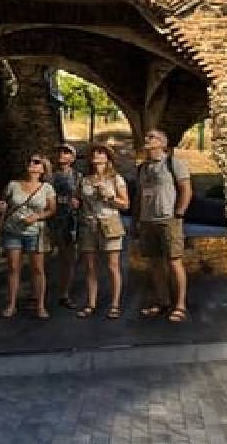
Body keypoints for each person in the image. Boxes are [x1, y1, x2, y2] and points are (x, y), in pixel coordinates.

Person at [135, 129, 193, 322]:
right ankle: (162, 302)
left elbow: (186, 189)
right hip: (147, 220)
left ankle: (180, 305)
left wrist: (179, 212)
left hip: (168, 219)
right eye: (147, 136)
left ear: (162, 143)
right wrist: (137, 221)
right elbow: (139, 196)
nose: (147, 139)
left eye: (151, 137)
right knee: (155, 263)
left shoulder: (173, 163)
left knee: (174, 262)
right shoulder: (142, 168)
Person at [0, 153, 57, 319]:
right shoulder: (13, 185)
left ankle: (40, 305)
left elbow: (52, 209)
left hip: (35, 232)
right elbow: (4, 203)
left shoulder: (47, 188)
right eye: (30, 161)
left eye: (36, 162)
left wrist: (37, 216)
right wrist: (1, 207)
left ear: (43, 168)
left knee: (37, 268)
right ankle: (11, 304)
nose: (32, 164)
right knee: (13, 267)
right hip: (13, 230)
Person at [76, 145, 130, 320]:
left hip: (109, 223)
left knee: (112, 266)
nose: (96, 155)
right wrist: (76, 203)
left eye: (101, 153)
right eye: (94, 153)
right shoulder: (84, 180)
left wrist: (110, 196)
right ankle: (91, 303)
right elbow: (79, 200)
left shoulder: (116, 179)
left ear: (108, 158)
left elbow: (125, 204)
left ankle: (115, 304)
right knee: (90, 267)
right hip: (88, 224)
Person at [48, 143, 82, 310]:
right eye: (60, 152)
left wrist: (79, 203)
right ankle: (38, 294)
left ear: (73, 158)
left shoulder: (78, 177)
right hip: (50, 221)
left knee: (68, 260)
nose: (62, 154)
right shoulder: (49, 176)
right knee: (43, 259)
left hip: (70, 222)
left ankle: (65, 294)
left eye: (66, 152)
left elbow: (84, 198)